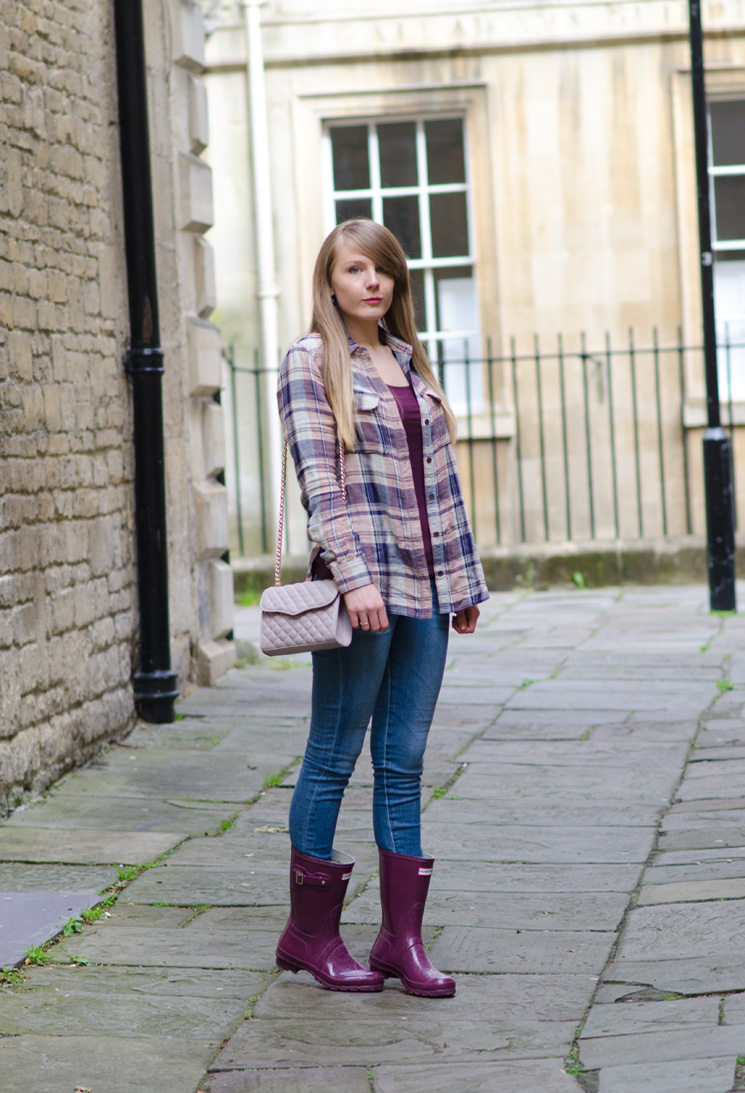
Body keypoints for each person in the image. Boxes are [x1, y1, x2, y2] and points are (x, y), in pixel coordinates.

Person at [274, 218, 489, 998]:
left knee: (403, 763)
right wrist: (355, 577)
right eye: (355, 269)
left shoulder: (407, 363)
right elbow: (320, 484)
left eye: (383, 271)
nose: (372, 282)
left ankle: (401, 940)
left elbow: (442, 485)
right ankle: (310, 933)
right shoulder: (308, 361)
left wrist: (461, 583)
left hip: (428, 592)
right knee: (333, 754)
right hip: (362, 592)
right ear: (329, 281)